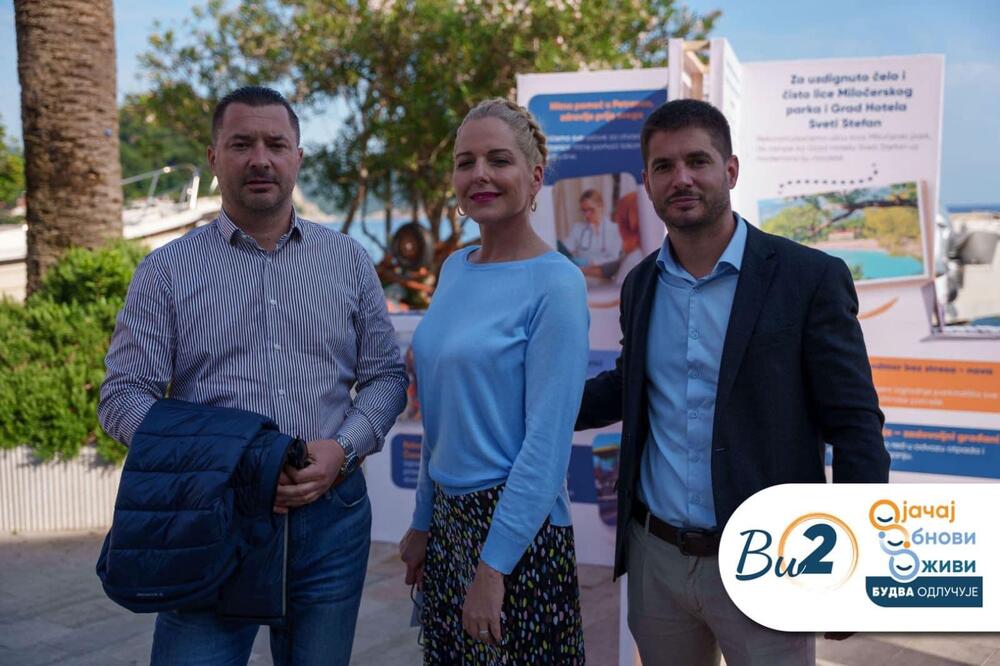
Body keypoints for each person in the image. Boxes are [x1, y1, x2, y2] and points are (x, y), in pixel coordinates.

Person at [98, 85, 408, 665]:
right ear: (214, 157)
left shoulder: (347, 260)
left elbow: (387, 377)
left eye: (276, 144)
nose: (260, 159)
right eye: (241, 144)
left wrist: (342, 449)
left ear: (297, 157)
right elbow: (123, 397)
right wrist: (222, 458)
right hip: (210, 519)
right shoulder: (166, 271)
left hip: (330, 521)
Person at [576, 98, 890, 666]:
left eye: (697, 161)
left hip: (771, 560)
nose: (682, 178)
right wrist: (534, 404)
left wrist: (854, 566)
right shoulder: (641, 284)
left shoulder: (809, 278)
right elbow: (631, 384)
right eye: (664, 166)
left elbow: (856, 428)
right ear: (647, 182)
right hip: (657, 559)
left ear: (731, 170)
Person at [398, 98, 589, 664]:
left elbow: (546, 447)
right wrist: (423, 520)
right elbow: (439, 416)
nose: (479, 174)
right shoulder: (455, 268)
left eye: (498, 160)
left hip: (516, 533)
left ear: (534, 178)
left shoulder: (557, 283)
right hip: (450, 523)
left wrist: (492, 567)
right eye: (466, 162)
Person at [564, 188, 622, 275]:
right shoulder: (577, 228)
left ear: (601, 206)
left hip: (606, 276)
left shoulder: (615, 229)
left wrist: (591, 262)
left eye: (591, 210)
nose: (587, 215)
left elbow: (615, 258)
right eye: (584, 210)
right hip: (583, 276)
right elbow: (565, 251)